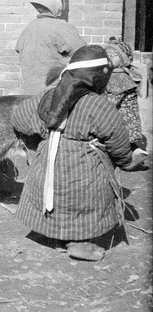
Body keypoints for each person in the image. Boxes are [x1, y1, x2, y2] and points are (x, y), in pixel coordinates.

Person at [11, 45, 133, 261]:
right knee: (82, 199)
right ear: (98, 77)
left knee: (52, 194)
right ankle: (79, 242)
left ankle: (55, 235)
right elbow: (118, 140)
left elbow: (19, 118)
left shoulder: (47, 97)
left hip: (46, 163)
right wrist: (124, 160)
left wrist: (42, 132)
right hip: (84, 169)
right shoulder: (98, 105)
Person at [15, 0, 87, 95]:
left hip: (27, 97)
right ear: (58, 2)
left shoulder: (29, 28)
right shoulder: (61, 27)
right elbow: (86, 55)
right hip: (53, 97)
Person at [103, 40, 149, 170]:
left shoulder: (120, 77)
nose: (110, 57)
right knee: (125, 143)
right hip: (125, 120)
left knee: (118, 143)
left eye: (115, 55)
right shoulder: (113, 74)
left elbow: (110, 102)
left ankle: (128, 161)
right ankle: (135, 153)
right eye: (108, 54)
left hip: (124, 120)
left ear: (123, 60)